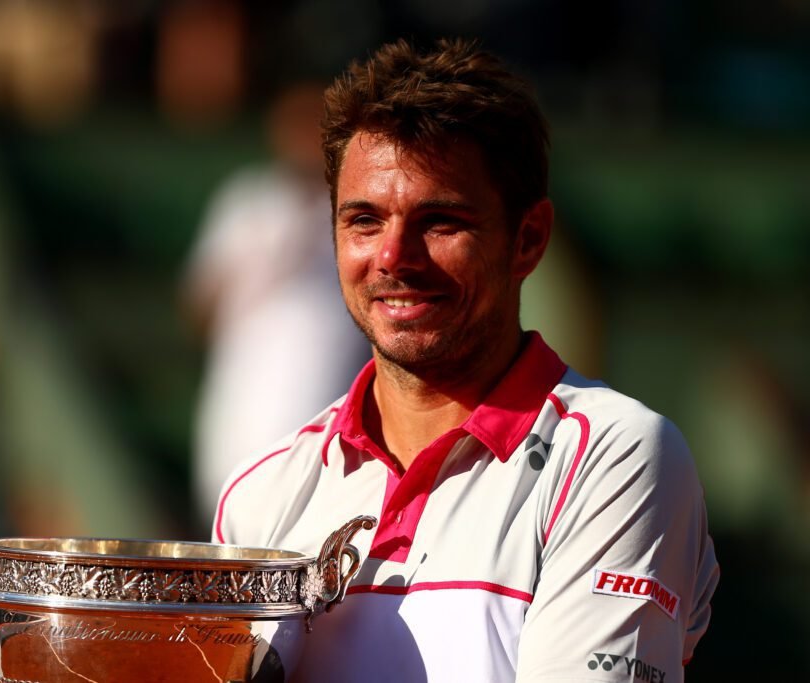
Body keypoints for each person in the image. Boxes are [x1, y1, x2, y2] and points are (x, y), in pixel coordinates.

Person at [212, 38, 719, 682]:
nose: (394, 256)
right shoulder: (258, 493)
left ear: (528, 239)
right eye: (364, 220)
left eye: (439, 220)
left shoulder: (616, 457)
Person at [183, 82, 368, 519]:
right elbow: (199, 308)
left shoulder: (363, 207)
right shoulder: (247, 203)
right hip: (243, 408)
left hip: (326, 420)